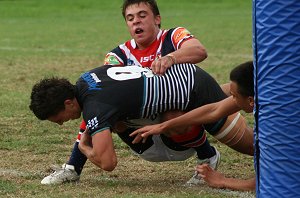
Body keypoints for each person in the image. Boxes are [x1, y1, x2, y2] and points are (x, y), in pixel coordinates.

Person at [40, 0, 208, 185]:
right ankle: (73, 168)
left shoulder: (174, 35)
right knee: (94, 108)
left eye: (142, 15)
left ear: (157, 19)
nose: (136, 21)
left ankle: (207, 155)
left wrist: (170, 58)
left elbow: (199, 50)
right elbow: (99, 101)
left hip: (177, 122)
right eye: (130, 18)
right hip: (142, 134)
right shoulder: (119, 55)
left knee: (177, 111)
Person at [30, 63, 228, 185]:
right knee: (104, 118)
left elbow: (108, 164)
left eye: (58, 119)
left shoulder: (95, 106)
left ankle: (208, 156)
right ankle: (72, 169)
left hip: (196, 93)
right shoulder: (85, 79)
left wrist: (84, 148)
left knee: (247, 141)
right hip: (188, 75)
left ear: (68, 102)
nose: (61, 124)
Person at [130, 61, 256, 191]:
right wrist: (163, 126)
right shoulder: (260, 95)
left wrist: (223, 181)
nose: (231, 100)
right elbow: (214, 110)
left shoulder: (275, 124)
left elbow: (268, 181)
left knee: (258, 149)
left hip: (270, 143)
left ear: (251, 100)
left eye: (234, 96)